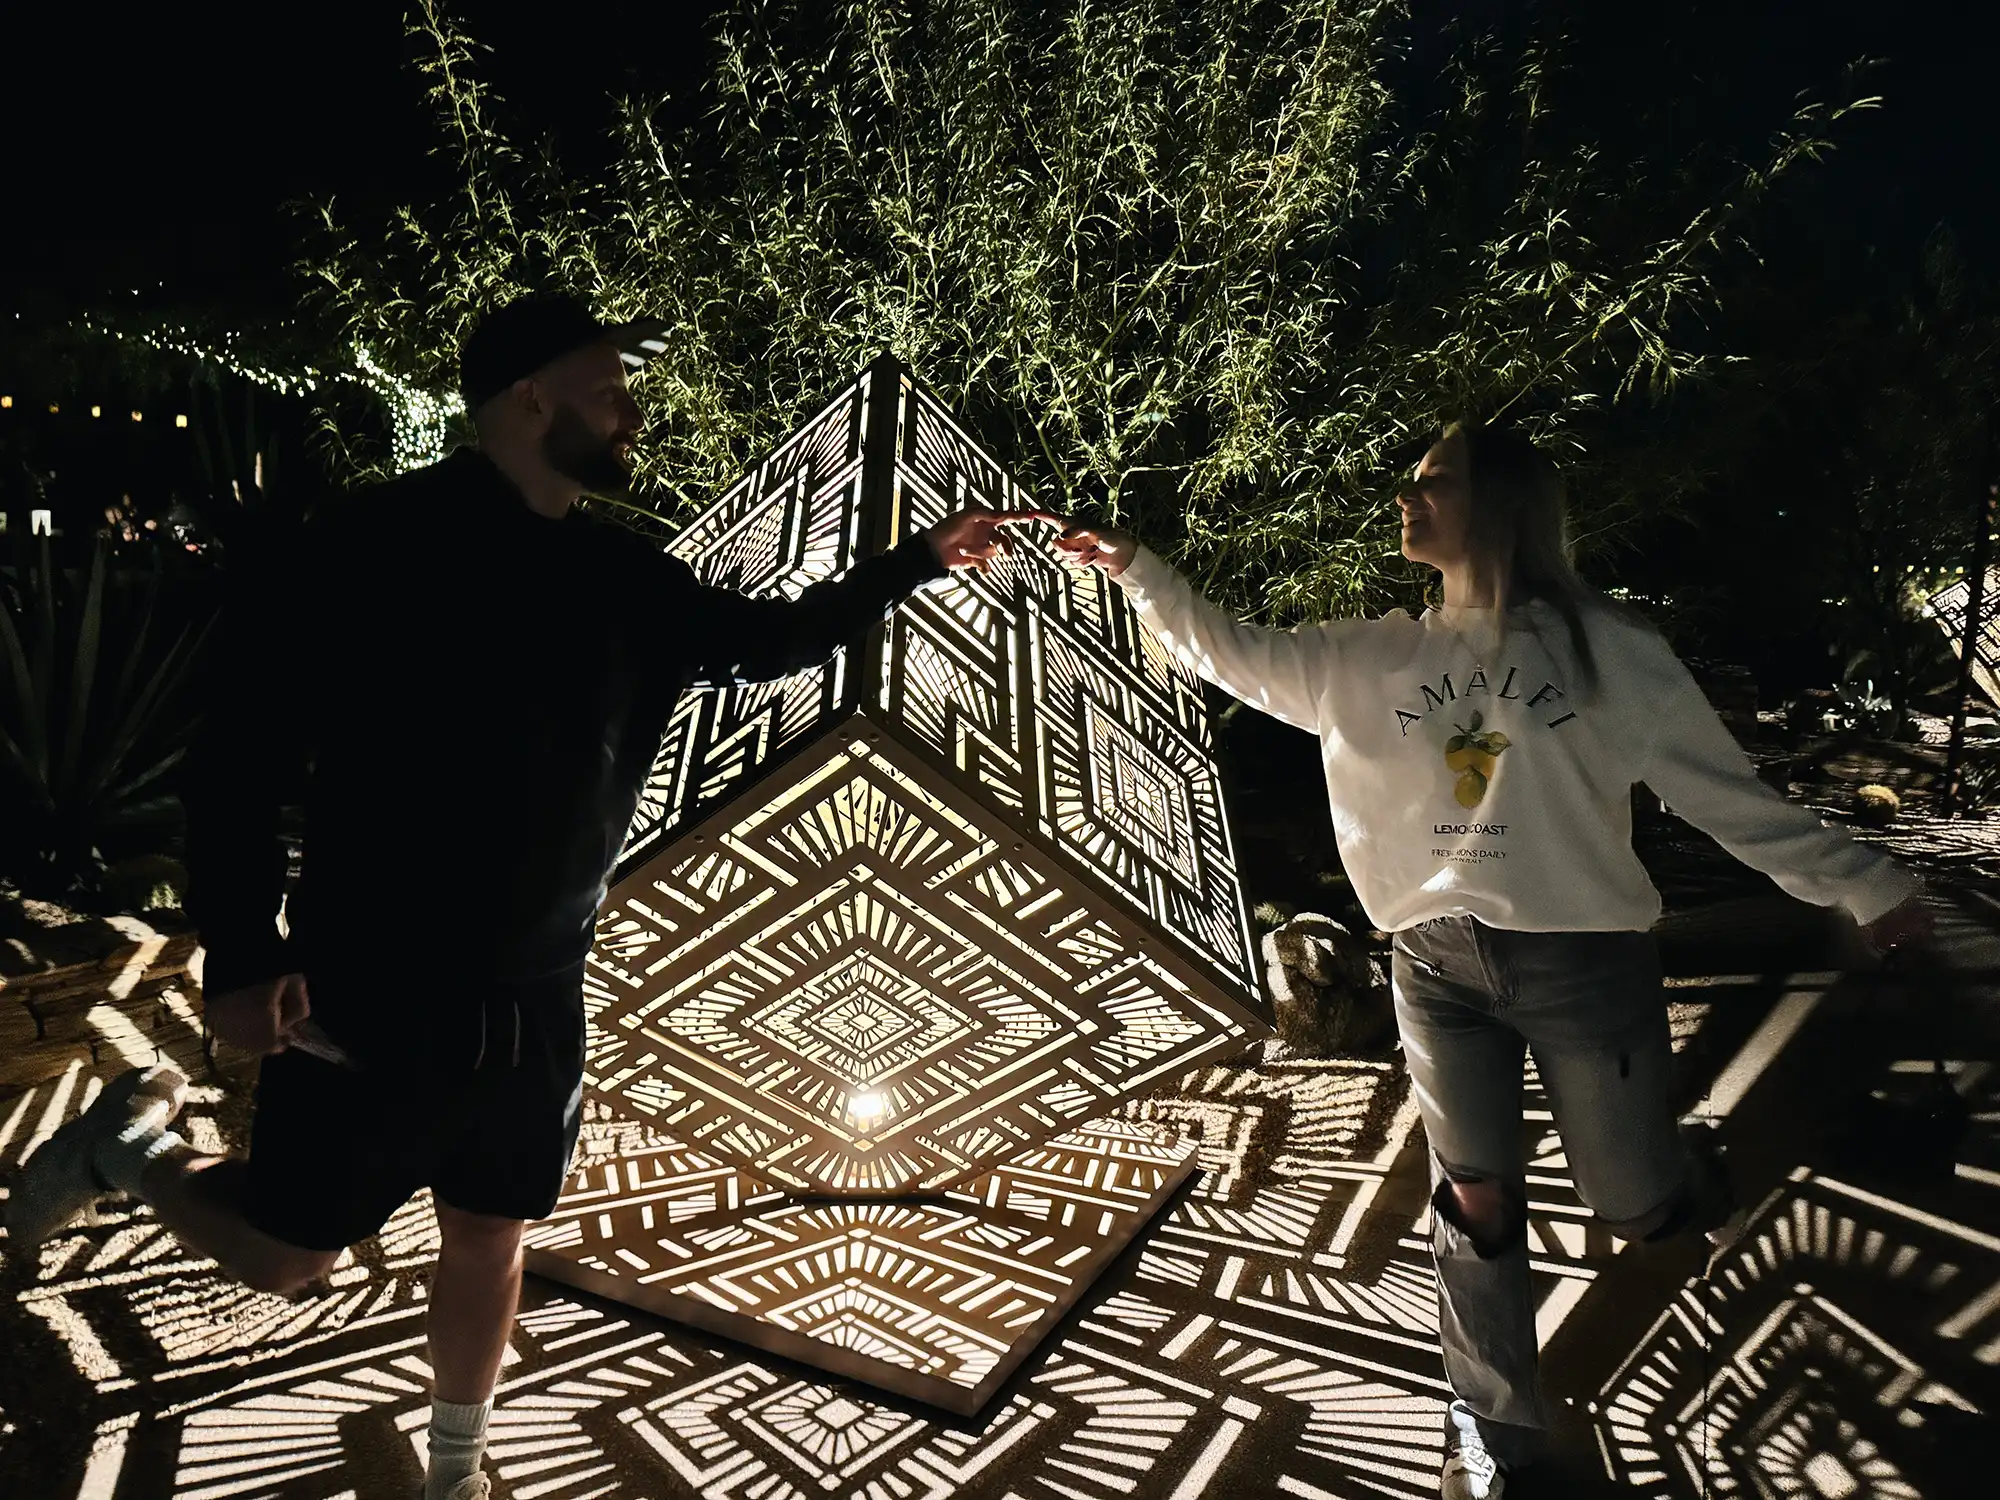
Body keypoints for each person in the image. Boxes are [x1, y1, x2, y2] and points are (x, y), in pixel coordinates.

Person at [9, 295, 1047, 1500]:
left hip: (539, 991)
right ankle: (131, 1157)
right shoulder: (367, 548)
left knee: (493, 1233)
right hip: (374, 985)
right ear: (524, 398)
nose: (629, 414)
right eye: (605, 388)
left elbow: (772, 642)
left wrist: (917, 558)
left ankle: (455, 1470)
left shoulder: (618, 574)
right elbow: (236, 763)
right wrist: (241, 956)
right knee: (292, 1256)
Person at [1051, 421, 1930, 1500]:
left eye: (1434, 483)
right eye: (1409, 481)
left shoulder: (1608, 653)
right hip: (1432, 969)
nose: (1406, 499)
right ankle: (1496, 1428)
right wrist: (1134, 567)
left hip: (1584, 967)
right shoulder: (1368, 656)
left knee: (1626, 1202)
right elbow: (1225, 646)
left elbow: (1724, 798)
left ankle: (1675, 1179)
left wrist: (1868, 885)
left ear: (1502, 503)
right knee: (1473, 1199)